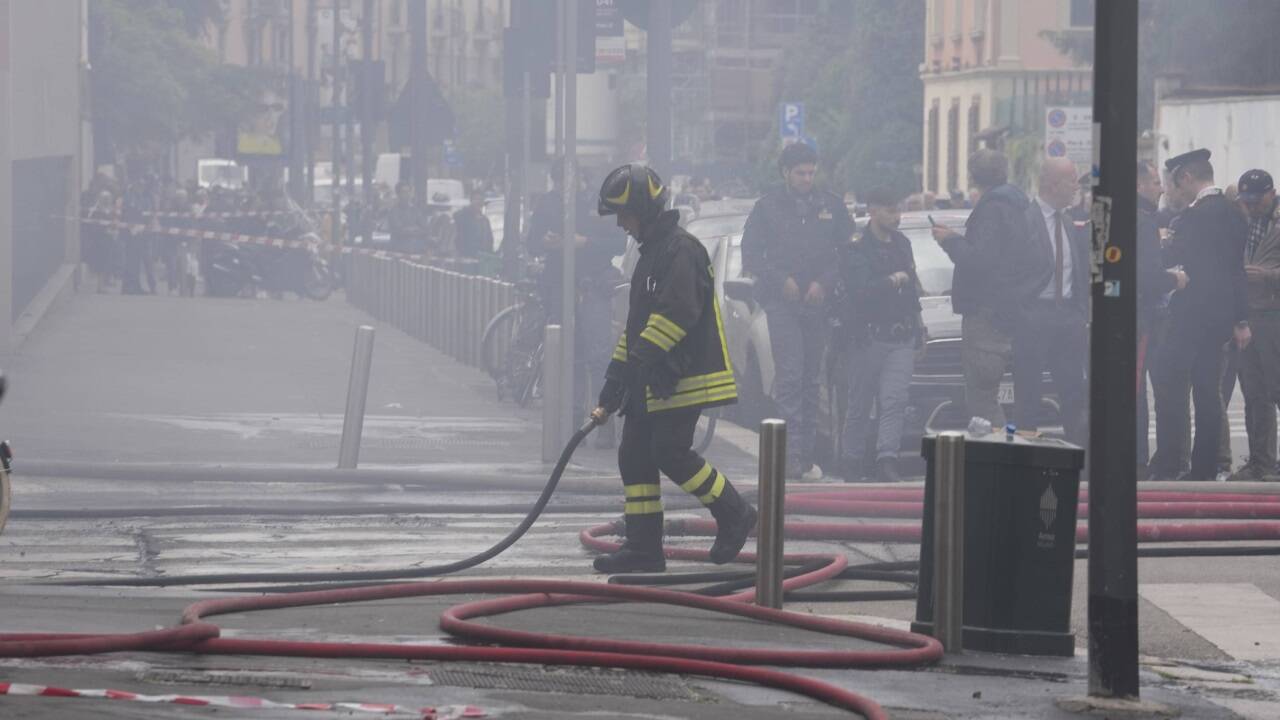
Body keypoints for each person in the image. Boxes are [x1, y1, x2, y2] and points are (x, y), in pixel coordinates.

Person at [589, 164, 757, 574]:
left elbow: (677, 314)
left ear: (643, 209)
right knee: (634, 455)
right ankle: (645, 548)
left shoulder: (681, 250)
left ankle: (735, 514)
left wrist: (636, 365)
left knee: (669, 452)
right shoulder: (652, 253)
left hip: (684, 378)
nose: (621, 225)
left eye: (624, 215)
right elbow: (639, 324)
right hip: (654, 378)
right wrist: (616, 375)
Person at [741, 142, 854, 480]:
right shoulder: (767, 208)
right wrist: (780, 280)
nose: (807, 178)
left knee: (810, 380)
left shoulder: (831, 206)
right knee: (790, 378)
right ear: (785, 173)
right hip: (782, 304)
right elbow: (751, 255)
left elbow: (847, 253)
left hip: (818, 304)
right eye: (800, 172)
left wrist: (825, 282)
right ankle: (790, 457)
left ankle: (804, 457)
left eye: (811, 172)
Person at [932, 149, 1043, 429]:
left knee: (982, 398)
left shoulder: (992, 209)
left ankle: (995, 454)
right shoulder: (1023, 206)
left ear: (973, 177)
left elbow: (978, 260)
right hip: (1014, 311)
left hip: (985, 314)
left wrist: (949, 241)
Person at [1159, 149, 1250, 482]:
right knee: (1209, 393)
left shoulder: (1195, 218)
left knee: (1170, 386)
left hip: (1191, 315)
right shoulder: (1232, 212)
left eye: (1175, 184)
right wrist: (1240, 318)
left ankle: (1173, 461)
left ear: (1187, 178)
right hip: (1220, 318)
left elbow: (1184, 261)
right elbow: (1236, 270)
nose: (1174, 192)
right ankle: (1205, 466)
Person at [526, 159, 627, 447]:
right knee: (569, 356)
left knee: (598, 356)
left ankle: (603, 425)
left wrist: (586, 242)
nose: (564, 188)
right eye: (559, 183)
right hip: (560, 287)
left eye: (569, 182)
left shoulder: (599, 204)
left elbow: (619, 242)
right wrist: (546, 242)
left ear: (581, 179)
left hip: (592, 286)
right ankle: (573, 428)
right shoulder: (547, 205)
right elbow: (531, 243)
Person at [837, 187, 923, 482]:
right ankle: (852, 460)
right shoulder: (857, 246)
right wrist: (891, 280)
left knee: (894, 400)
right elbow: (860, 290)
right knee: (860, 403)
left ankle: (888, 458)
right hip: (869, 337)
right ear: (873, 211)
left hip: (901, 336)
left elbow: (912, 288)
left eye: (898, 210)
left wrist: (919, 325)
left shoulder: (903, 243)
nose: (896, 216)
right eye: (889, 211)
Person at [1010, 157, 1090, 444]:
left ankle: (1079, 458)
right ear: (1053, 184)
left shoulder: (1067, 221)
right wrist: (1022, 312)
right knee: (1028, 392)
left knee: (1073, 391)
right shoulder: (1023, 221)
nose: (1076, 188)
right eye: (1072, 181)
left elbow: (1078, 271)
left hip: (1068, 317)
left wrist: (1080, 313)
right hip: (1034, 316)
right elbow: (1010, 272)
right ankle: (1025, 456)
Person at [1136, 160, 1187, 479]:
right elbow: (1146, 276)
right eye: (1155, 182)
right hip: (1144, 318)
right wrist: (1175, 279)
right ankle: (1141, 460)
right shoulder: (1142, 222)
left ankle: (1140, 457)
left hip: (1126, 318)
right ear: (1139, 184)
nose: (1161, 188)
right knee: (1142, 390)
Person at [1228, 169, 1280, 481]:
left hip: (1275, 315)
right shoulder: (1241, 221)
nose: (1251, 205)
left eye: (1256, 199)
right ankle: (1262, 464)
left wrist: (1269, 276)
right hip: (1248, 316)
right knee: (1254, 393)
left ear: (1271, 193)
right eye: (1245, 200)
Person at [453, 189, 493, 259]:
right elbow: (459, 237)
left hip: (482, 258)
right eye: (476, 199)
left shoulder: (485, 220)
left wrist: (489, 253)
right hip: (465, 257)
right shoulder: (462, 216)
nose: (479, 202)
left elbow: (489, 239)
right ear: (471, 200)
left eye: (481, 199)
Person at [387, 182, 425, 253]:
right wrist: (414, 229)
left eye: (409, 191)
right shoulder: (393, 211)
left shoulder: (415, 210)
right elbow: (399, 231)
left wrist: (410, 230)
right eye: (404, 192)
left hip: (415, 249)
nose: (407, 194)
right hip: (398, 250)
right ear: (398, 194)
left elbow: (424, 228)